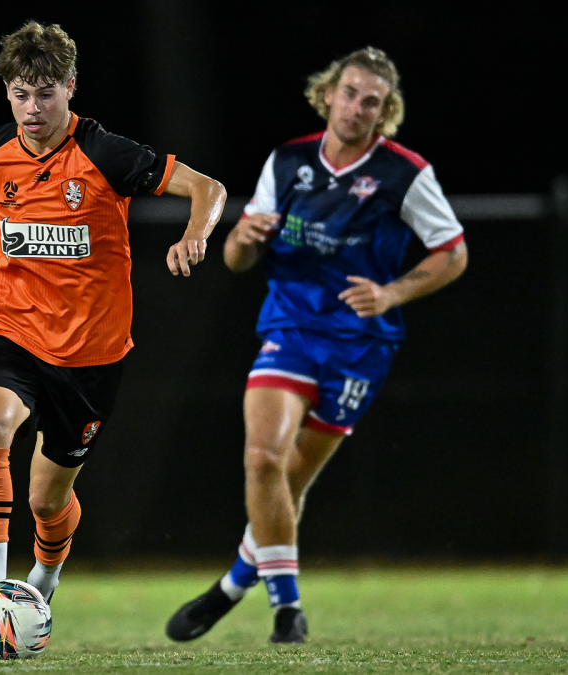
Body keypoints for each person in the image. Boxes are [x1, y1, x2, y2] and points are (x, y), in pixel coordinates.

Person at [0, 20, 227, 634]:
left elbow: (207, 188)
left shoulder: (105, 153)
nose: (33, 109)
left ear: (71, 88)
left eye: (47, 93)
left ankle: (43, 580)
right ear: (7, 92)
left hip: (91, 355)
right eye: (21, 94)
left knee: (45, 501)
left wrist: (196, 232)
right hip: (11, 330)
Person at [165, 47, 468, 644]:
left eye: (371, 101)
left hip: (360, 346)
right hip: (292, 330)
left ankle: (228, 586)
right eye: (349, 92)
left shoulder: (405, 173)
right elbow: (235, 258)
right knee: (263, 460)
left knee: (291, 482)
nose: (357, 107)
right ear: (328, 94)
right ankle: (288, 610)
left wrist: (391, 293)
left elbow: (453, 252)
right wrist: (243, 238)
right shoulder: (290, 161)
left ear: (385, 115)